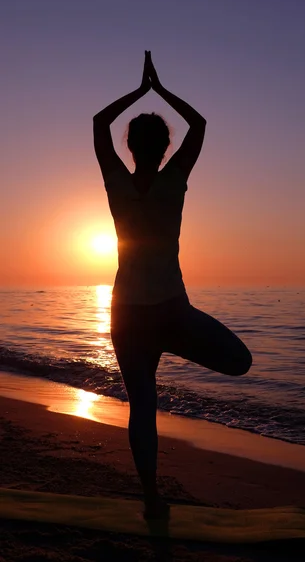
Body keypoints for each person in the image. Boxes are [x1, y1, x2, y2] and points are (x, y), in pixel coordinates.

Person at [93, 51, 252, 519]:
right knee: (239, 362)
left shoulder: (116, 182)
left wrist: (137, 93)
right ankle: (149, 497)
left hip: (126, 313)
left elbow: (100, 123)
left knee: (143, 405)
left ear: (130, 147)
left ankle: (151, 498)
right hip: (168, 311)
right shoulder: (173, 181)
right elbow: (198, 124)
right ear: (164, 148)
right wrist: (158, 90)